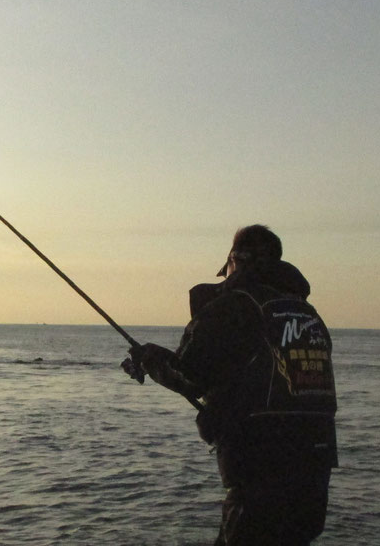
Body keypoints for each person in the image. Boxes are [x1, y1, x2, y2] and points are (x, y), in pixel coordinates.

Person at [122, 224, 337, 545]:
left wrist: (148, 358)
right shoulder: (308, 315)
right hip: (314, 477)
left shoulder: (236, 304)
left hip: (260, 475)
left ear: (236, 259)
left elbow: (190, 375)